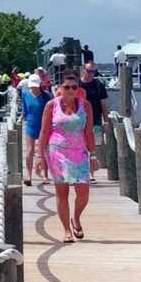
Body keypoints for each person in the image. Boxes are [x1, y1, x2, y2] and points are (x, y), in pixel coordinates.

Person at [44, 74, 96, 242]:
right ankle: (66, 230)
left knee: (83, 193)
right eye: (67, 87)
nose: (71, 90)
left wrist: (93, 155)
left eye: (74, 87)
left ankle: (76, 217)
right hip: (57, 151)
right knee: (62, 192)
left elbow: (89, 132)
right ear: (59, 88)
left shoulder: (85, 106)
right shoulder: (51, 105)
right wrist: (39, 156)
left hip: (79, 152)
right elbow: (44, 132)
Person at [20, 72, 49, 185]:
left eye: (36, 86)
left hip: (43, 125)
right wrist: (21, 118)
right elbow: (24, 109)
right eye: (32, 86)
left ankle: (46, 175)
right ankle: (28, 175)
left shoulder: (45, 95)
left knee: (44, 150)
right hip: (31, 124)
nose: (34, 88)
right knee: (30, 150)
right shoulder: (25, 94)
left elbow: (50, 110)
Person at [81, 62, 110, 126]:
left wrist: (106, 122)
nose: (91, 73)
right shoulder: (75, 85)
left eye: (93, 71)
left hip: (95, 122)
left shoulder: (99, 85)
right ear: (83, 70)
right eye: (89, 71)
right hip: (79, 123)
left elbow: (104, 105)